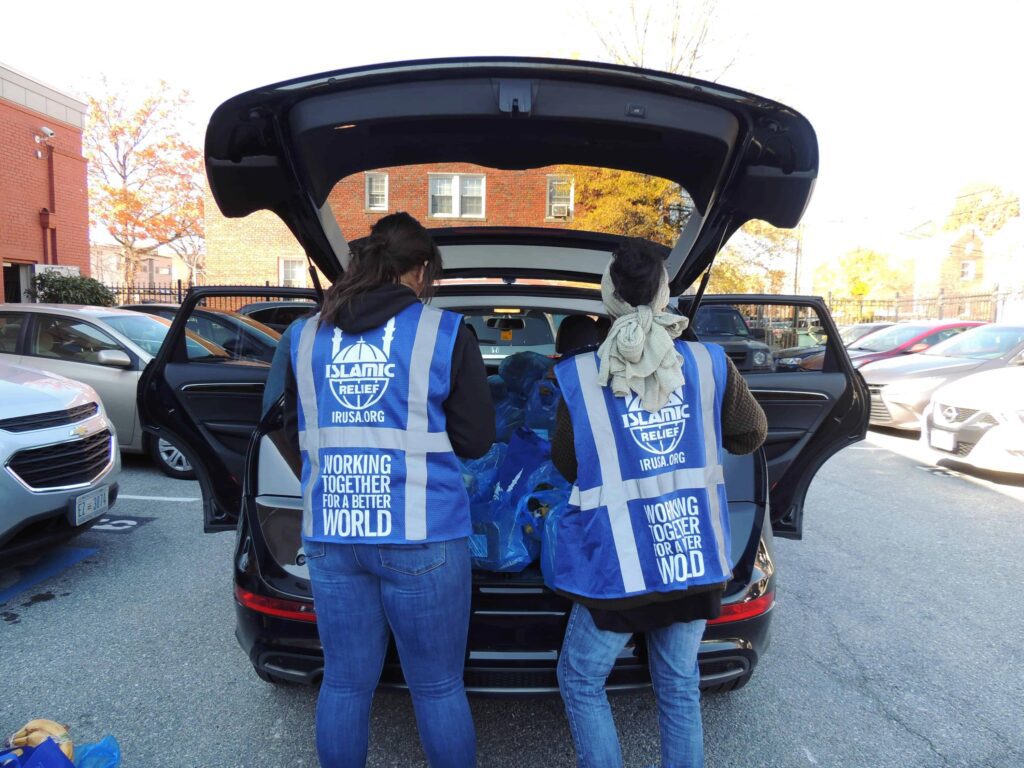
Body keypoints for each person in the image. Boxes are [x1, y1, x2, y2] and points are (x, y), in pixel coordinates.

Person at [279, 212, 494, 767]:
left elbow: (285, 429)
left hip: (333, 532)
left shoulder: (305, 336)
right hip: (422, 536)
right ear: (420, 271)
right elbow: (476, 440)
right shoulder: (444, 332)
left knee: (346, 684)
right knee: (438, 687)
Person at [546, 240, 767, 768]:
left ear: (608, 296)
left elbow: (568, 464)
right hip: (690, 555)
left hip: (618, 566)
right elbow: (750, 434)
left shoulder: (581, 374)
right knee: (678, 686)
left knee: (579, 680)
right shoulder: (709, 363)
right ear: (666, 292)